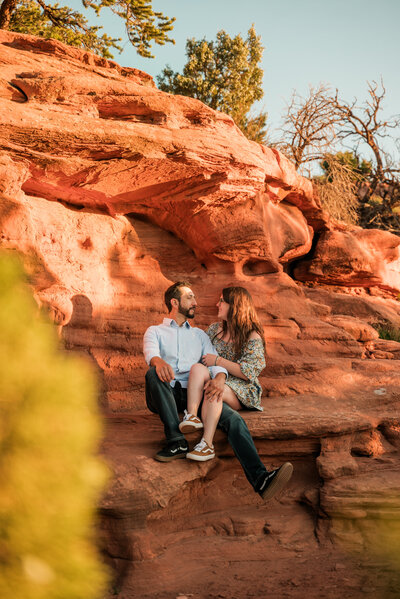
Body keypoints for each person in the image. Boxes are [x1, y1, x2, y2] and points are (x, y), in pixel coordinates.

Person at [143, 281, 293, 501]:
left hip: (201, 391)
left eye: (221, 300)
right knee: (152, 374)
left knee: (233, 420)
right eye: (189, 298)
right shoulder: (156, 331)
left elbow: (214, 364)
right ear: (174, 303)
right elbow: (150, 353)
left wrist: (220, 377)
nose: (197, 302)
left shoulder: (201, 335)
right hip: (166, 392)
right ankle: (176, 442)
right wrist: (158, 362)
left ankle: (260, 479)